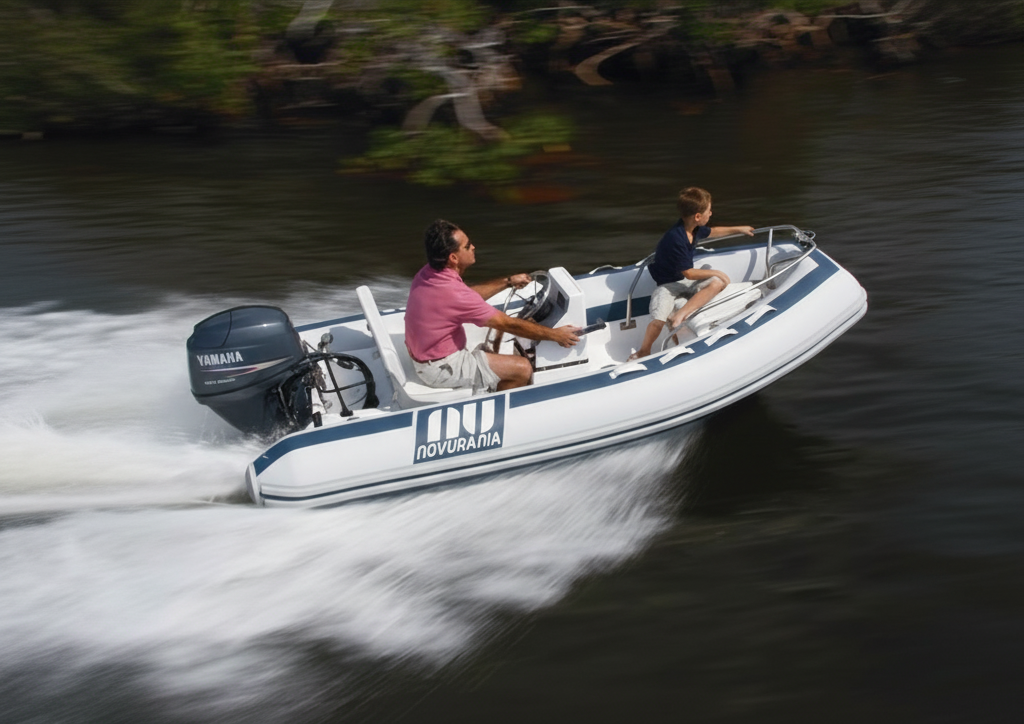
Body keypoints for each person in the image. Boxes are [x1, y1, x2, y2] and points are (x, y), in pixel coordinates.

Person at [404, 219, 580, 392]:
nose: (473, 247)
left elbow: (466, 296)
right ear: (453, 258)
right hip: (442, 368)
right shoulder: (454, 294)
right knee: (523, 369)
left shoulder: (428, 273)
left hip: (426, 357)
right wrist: (556, 335)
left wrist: (508, 282)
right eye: (467, 246)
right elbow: (506, 323)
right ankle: (494, 399)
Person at [632, 187, 755, 359]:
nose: (711, 213)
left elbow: (714, 231)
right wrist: (717, 272)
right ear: (697, 217)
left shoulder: (694, 229)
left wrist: (739, 229)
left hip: (684, 281)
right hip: (668, 286)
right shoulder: (676, 238)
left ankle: (679, 315)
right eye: (708, 211)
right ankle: (644, 350)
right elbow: (689, 273)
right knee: (658, 321)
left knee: (717, 283)